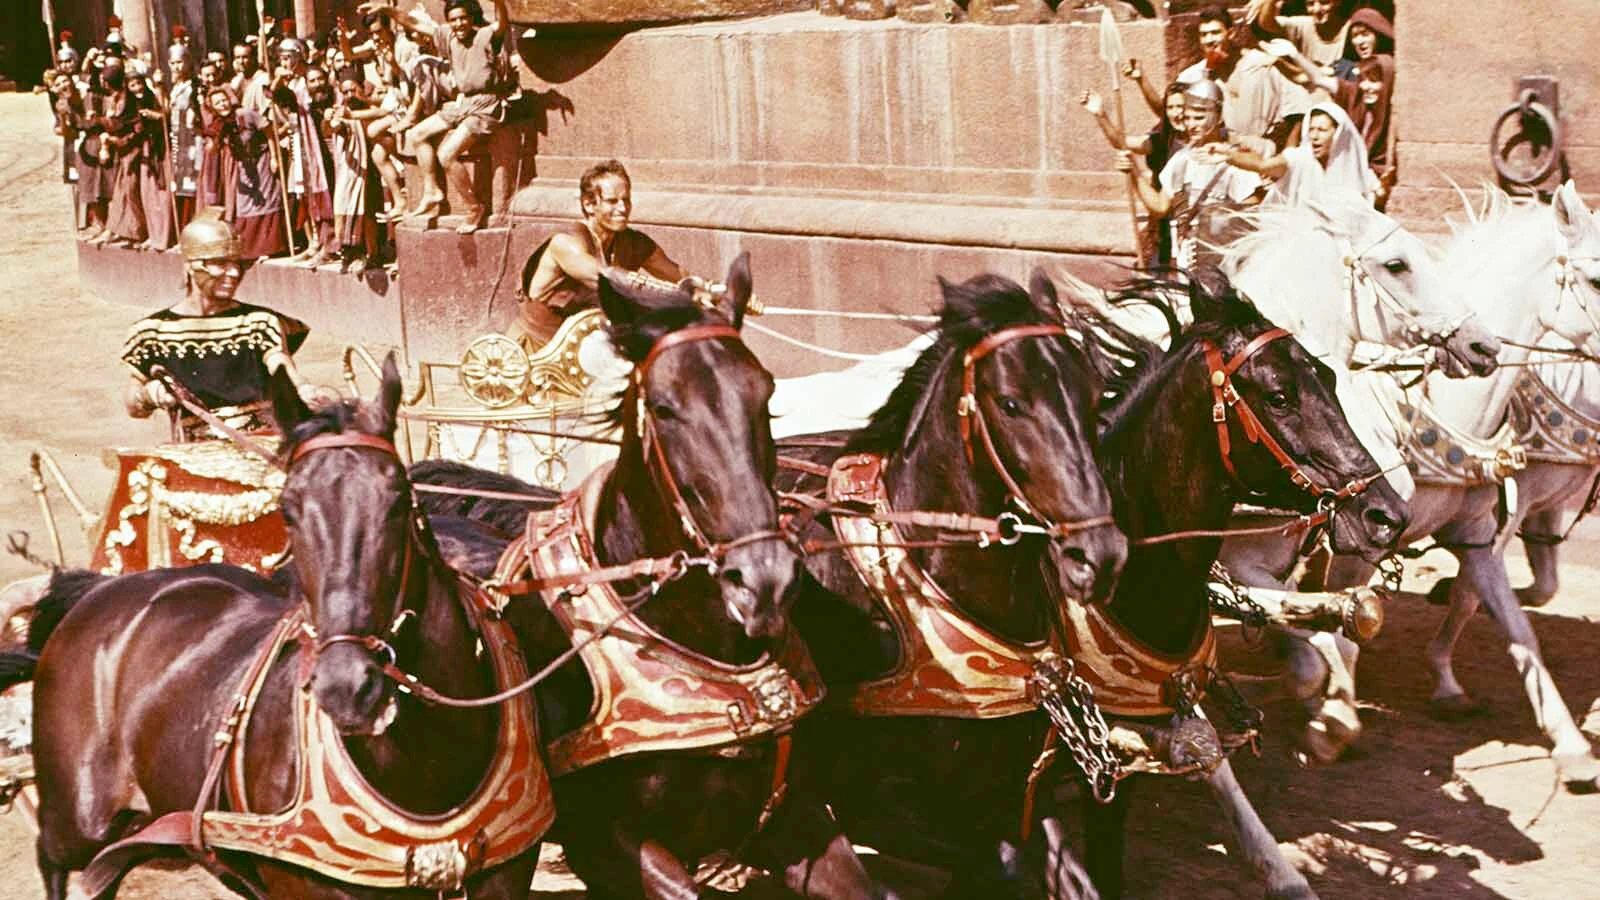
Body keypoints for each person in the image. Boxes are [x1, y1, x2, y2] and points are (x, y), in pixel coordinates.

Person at [122, 213, 323, 439]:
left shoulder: (259, 322)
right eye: (220, 264)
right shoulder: (152, 332)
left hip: (263, 443)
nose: (234, 273)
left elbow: (279, 363)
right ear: (191, 266)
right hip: (195, 450)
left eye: (238, 264)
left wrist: (302, 388)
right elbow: (133, 407)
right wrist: (147, 395)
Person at [508, 159, 693, 352]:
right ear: (589, 204)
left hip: (587, 350)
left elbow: (679, 275)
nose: (623, 208)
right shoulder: (566, 242)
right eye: (612, 201)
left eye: (626, 200)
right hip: (535, 352)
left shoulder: (632, 242)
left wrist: (706, 289)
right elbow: (608, 280)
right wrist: (671, 298)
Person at [1119, 79, 1265, 271]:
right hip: (1186, 260)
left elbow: (1250, 218)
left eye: (1199, 118)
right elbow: (1160, 207)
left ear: (1218, 117)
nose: (1191, 125)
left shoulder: (1235, 162)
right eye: (1187, 118)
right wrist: (1134, 172)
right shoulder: (1182, 159)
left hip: (1224, 264)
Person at [404, 0, 515, 233]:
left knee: (446, 154)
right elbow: (414, 23)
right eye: (453, 19)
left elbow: (502, 24)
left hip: (485, 106)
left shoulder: (484, 35)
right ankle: (431, 190)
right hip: (462, 103)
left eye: (463, 18)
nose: (459, 23)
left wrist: (499, 2)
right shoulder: (448, 36)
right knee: (415, 134)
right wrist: (387, 10)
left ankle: (474, 207)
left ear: (472, 18)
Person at [1081, 82, 1187, 266]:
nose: (1176, 113)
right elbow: (1121, 142)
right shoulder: (1163, 140)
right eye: (1170, 107)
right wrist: (1101, 114)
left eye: (1181, 106)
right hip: (1164, 229)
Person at [1178, 6, 1308, 153]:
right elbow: (1175, 118)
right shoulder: (1192, 77)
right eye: (1203, 35)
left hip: (1264, 152)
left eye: (1215, 33)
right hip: (1218, 154)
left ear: (1231, 33)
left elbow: (1299, 108)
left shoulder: (1262, 63)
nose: (1209, 40)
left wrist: (1289, 152)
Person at [1215, 101, 1378, 207]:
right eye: (1311, 129)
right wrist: (1229, 155)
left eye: (1322, 130)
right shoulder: (1299, 158)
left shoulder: (1360, 174)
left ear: (1338, 134)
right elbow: (1263, 165)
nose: (1314, 136)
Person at [1247, 0, 1353, 73]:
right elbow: (1266, 23)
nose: (1317, 9)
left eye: (1324, 2)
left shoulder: (1351, 29)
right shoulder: (1302, 24)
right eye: (1310, 4)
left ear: (1338, 2)